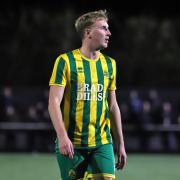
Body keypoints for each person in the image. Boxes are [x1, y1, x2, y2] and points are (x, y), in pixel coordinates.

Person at [48, 9, 127, 180]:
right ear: (88, 32)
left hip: (102, 142)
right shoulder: (65, 61)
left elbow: (112, 106)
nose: (109, 32)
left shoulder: (110, 64)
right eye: (104, 28)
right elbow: (53, 102)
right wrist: (62, 137)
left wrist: (120, 142)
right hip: (72, 144)